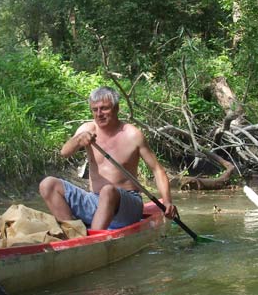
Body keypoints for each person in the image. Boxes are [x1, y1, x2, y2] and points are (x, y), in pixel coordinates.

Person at [39, 86, 177, 230]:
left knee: (108, 191)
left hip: (127, 206)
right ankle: (72, 232)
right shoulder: (87, 129)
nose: (99, 114)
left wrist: (167, 202)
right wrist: (78, 139)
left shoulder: (132, 134)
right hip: (95, 201)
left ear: (116, 108)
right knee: (48, 184)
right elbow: (64, 152)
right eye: (95, 109)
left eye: (104, 108)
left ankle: (93, 241)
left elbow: (157, 170)